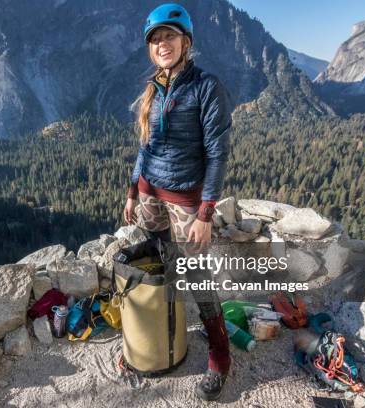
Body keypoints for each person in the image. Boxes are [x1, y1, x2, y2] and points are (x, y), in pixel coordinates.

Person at [122, 3, 234, 402]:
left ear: (186, 42)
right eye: (155, 39)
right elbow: (144, 146)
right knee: (166, 260)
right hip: (152, 194)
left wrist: (206, 212)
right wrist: (134, 189)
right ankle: (168, 325)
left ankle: (220, 357)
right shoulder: (152, 89)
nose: (162, 44)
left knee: (198, 276)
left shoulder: (206, 87)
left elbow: (218, 153)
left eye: (169, 36)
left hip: (187, 199)